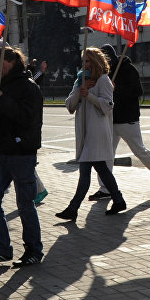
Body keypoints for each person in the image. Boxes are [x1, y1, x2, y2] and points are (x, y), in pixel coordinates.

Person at [0, 46, 45, 267]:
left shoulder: (28, 87)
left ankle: (34, 250)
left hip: (22, 153)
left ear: (13, 62)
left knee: (25, 203)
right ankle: (2, 248)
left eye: (0, 64)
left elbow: (28, 119)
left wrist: (3, 100)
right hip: (1, 152)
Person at [89, 45, 150, 201]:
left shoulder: (127, 69)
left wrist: (116, 88)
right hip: (111, 118)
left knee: (139, 150)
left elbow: (137, 91)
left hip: (127, 118)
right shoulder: (104, 72)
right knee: (107, 153)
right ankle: (105, 187)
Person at [56, 48, 126, 221]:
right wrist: (81, 89)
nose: (84, 65)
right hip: (84, 132)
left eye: (87, 61)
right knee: (102, 169)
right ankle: (118, 199)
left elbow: (108, 105)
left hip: (97, 133)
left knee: (85, 172)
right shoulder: (80, 80)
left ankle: (73, 208)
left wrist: (90, 96)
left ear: (95, 62)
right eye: (83, 61)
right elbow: (70, 106)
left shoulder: (103, 80)